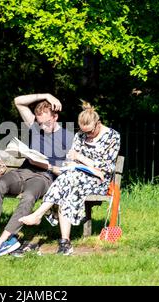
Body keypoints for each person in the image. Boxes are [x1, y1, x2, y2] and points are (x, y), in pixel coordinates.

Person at [0, 93, 74, 256]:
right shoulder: (35, 126)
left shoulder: (68, 137)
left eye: (46, 123)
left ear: (55, 116)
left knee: (28, 196)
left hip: (44, 176)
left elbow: (67, 171)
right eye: (40, 123)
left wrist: (46, 165)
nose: (42, 127)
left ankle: (3, 240)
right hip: (23, 171)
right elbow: (18, 101)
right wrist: (47, 95)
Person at [19, 101, 121, 255]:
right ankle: (64, 243)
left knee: (68, 179)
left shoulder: (112, 136)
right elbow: (72, 160)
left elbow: (105, 167)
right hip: (76, 176)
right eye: (83, 132)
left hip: (99, 181)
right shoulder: (80, 135)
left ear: (98, 124)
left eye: (90, 132)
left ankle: (38, 214)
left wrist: (81, 158)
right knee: (68, 182)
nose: (86, 135)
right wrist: (77, 163)